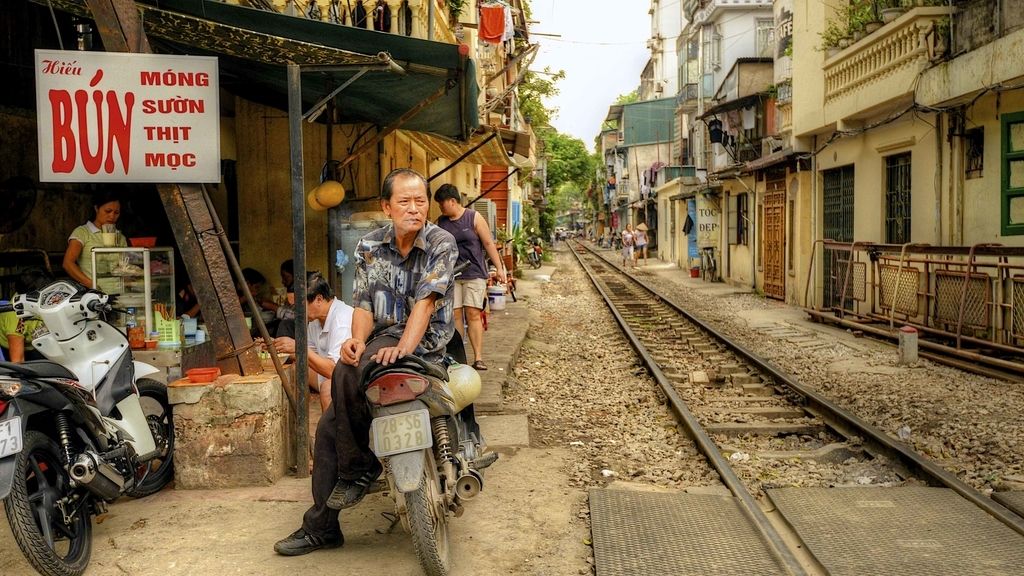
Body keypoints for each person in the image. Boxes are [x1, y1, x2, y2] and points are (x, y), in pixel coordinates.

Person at [274, 168, 457, 557]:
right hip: (382, 342)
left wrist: (404, 347)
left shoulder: (441, 241)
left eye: (420, 201)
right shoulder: (369, 245)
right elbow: (362, 304)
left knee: (344, 373)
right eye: (404, 202)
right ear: (386, 207)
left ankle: (358, 469)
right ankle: (322, 528)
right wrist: (355, 340)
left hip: (424, 342)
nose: (414, 209)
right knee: (328, 425)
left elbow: (426, 302)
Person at [433, 182, 506, 371]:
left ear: (452, 201)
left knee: (472, 313)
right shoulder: (441, 222)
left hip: (474, 273)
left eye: (442, 203)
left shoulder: (473, 217)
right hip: (452, 275)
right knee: (454, 314)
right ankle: (460, 358)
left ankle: (478, 357)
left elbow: (489, 244)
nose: (440, 207)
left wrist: (499, 268)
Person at [268, 271, 353, 412]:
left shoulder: (341, 319)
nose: (297, 312)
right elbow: (308, 355)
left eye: (300, 307)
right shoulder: (315, 320)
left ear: (319, 299)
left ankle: (333, 433)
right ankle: (299, 422)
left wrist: (298, 347)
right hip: (327, 373)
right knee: (297, 369)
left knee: (327, 389)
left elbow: (335, 371)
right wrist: (277, 346)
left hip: (347, 378)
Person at [63, 192, 128, 289]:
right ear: (96, 208)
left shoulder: (120, 237)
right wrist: (92, 285)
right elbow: (68, 263)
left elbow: (125, 267)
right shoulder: (83, 232)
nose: (112, 216)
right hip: (94, 294)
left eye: (116, 213)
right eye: (108, 211)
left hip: (120, 294)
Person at [0, 268, 52, 363]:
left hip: (42, 341)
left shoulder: (48, 300)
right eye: (46, 294)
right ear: (30, 297)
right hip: (26, 350)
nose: (51, 296)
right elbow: (18, 361)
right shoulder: (17, 318)